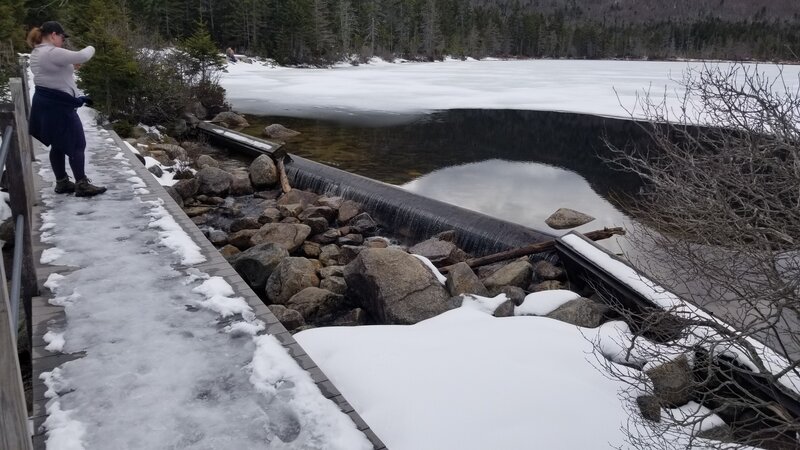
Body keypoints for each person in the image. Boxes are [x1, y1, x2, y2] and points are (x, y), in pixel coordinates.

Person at [27, 21, 106, 197]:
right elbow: (83, 55)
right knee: (78, 144)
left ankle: (62, 182)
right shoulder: (51, 52)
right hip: (59, 107)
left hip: (49, 105)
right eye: (62, 37)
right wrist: (92, 46)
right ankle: (82, 184)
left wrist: (72, 66)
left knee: (58, 144)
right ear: (54, 35)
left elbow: (56, 72)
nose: (63, 40)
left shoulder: (38, 52)